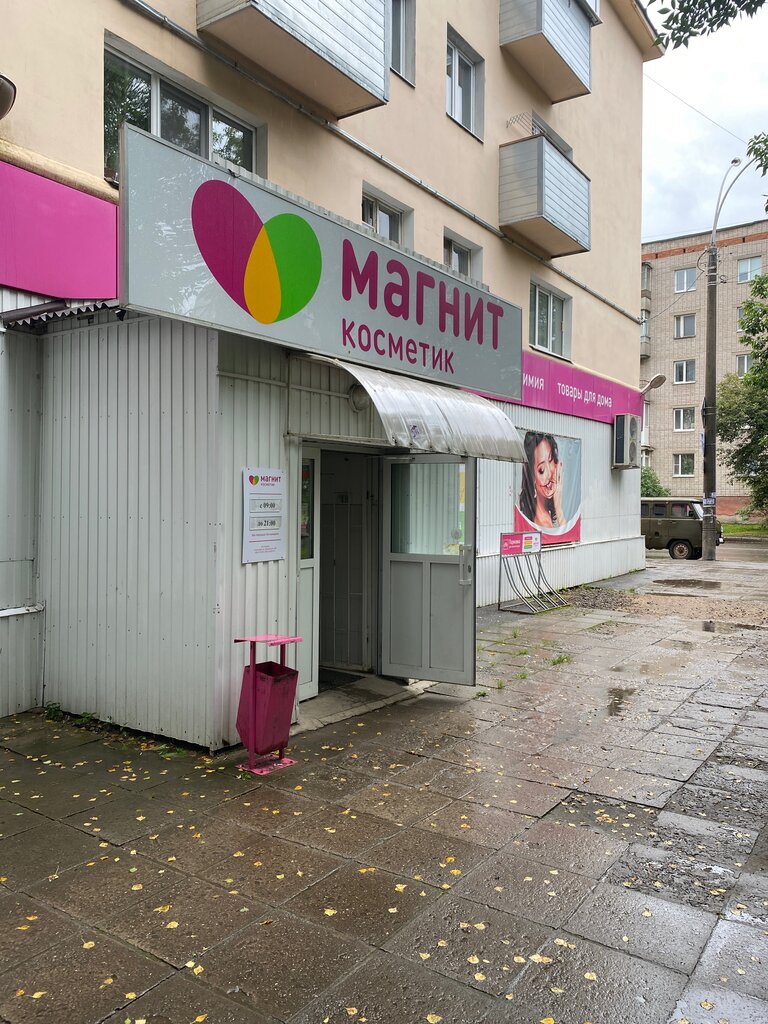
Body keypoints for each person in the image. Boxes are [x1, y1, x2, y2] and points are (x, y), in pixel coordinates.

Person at [519, 432, 565, 529]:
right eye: (542, 470)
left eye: (551, 460)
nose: (549, 473)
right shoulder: (540, 521)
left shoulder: (549, 515)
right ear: (532, 477)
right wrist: (559, 510)